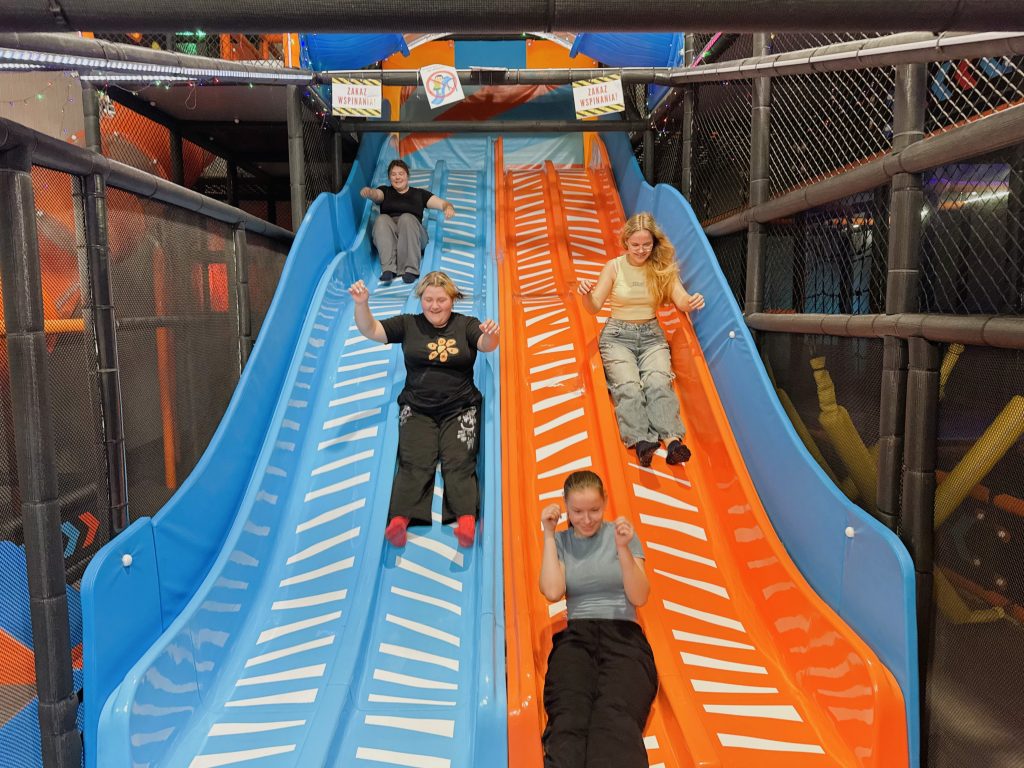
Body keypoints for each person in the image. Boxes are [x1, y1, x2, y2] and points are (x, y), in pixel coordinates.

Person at [348, 271, 499, 548]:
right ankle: (399, 521)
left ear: (452, 300)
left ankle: (466, 520)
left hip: (460, 407)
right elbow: (371, 330)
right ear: (421, 300)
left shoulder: (465, 324)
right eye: (428, 299)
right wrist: (361, 304)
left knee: (459, 460)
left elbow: (486, 345)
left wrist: (491, 336)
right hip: (417, 408)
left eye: (441, 300)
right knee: (414, 461)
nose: (434, 306)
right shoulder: (408, 324)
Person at [539, 470, 657, 768]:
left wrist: (622, 549)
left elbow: (639, 596)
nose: (587, 519)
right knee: (569, 713)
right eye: (577, 512)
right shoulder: (562, 541)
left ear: (605, 501)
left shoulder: (622, 534)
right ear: (566, 507)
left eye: (594, 510)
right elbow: (552, 591)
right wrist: (549, 535)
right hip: (577, 636)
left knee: (614, 715)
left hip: (624, 635)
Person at [577, 212, 705, 468]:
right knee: (629, 386)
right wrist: (585, 295)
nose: (641, 250)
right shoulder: (614, 267)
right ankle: (641, 441)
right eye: (635, 244)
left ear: (654, 243)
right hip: (617, 338)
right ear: (626, 242)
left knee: (658, 383)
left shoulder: (660, 268)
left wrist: (691, 301)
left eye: (646, 244)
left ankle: (672, 442)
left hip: (651, 337)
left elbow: (680, 298)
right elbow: (594, 307)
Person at [360, 159, 456, 284]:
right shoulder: (385, 191)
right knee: (381, 219)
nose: (397, 177)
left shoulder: (419, 194)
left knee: (406, 218)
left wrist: (448, 207)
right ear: (389, 178)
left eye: (401, 173)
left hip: (414, 234)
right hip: (392, 236)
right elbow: (377, 195)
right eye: (393, 174)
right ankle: (388, 269)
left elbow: (443, 204)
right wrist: (370, 192)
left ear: (407, 175)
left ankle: (411, 269)